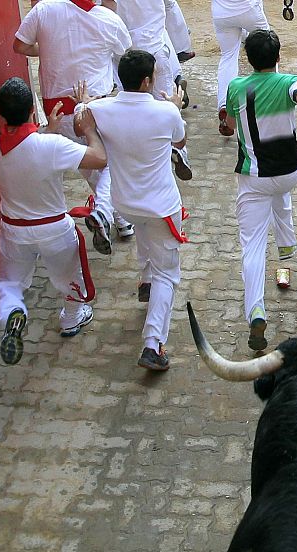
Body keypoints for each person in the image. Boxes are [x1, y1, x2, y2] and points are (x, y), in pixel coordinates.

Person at [223, 29, 297, 351]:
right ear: (278, 57)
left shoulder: (236, 87)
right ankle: (286, 246)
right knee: (279, 194)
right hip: (290, 172)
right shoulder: (290, 81)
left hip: (253, 176)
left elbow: (229, 126)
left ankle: (256, 309)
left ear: (247, 58)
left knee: (252, 245)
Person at [0, 78, 107, 364]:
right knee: (69, 280)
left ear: (2, 113)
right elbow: (99, 159)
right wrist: (88, 128)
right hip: (54, 229)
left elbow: (24, 148)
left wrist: (46, 132)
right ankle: (71, 318)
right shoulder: (50, 146)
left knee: (9, 284)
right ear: (32, 110)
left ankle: (14, 312)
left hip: (14, 230)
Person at [86, 50, 188, 371]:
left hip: (125, 202)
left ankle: (145, 280)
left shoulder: (100, 109)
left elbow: (81, 115)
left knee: (144, 235)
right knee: (168, 274)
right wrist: (174, 106)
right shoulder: (164, 113)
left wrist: (87, 117)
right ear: (147, 80)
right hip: (160, 205)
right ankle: (153, 343)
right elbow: (180, 142)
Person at [14, 0, 132, 252]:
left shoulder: (44, 9)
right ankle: (106, 213)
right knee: (114, 164)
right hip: (97, 106)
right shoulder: (109, 18)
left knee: (91, 166)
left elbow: (20, 45)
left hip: (57, 111)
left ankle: (117, 218)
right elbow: (125, 51)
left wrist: (46, 48)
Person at [116, 0, 193, 180]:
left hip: (126, 50)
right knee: (168, 103)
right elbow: (170, 7)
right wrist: (182, 45)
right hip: (155, 46)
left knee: (130, 101)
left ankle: (138, 148)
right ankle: (178, 150)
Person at [212, 0, 270, 136]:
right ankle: (269, 102)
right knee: (268, 48)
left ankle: (224, 105)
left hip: (221, 12)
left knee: (228, 56)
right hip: (248, 10)